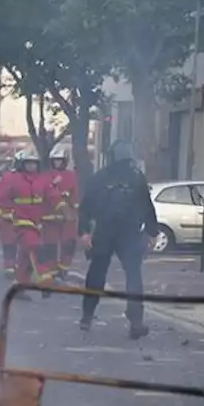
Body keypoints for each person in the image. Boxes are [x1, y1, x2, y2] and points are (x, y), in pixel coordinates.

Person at [78, 141, 159, 340]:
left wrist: (152, 231)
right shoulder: (102, 179)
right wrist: (84, 232)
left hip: (127, 233)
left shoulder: (134, 178)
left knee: (130, 277)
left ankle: (135, 321)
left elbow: (146, 206)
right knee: (103, 275)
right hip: (109, 232)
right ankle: (89, 315)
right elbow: (86, 207)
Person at [0, 150, 55, 293]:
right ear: (21, 164)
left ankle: (19, 285)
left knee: (25, 257)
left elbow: (52, 195)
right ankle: (44, 278)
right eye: (28, 163)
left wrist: (63, 207)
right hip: (19, 220)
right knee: (35, 246)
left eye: (34, 163)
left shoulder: (43, 179)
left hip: (36, 222)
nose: (31, 166)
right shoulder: (11, 178)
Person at [44, 145, 80, 277]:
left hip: (67, 217)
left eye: (59, 160)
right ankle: (52, 269)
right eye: (55, 160)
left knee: (69, 243)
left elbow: (75, 193)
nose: (57, 163)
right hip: (50, 216)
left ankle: (64, 268)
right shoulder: (47, 175)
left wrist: (75, 208)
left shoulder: (71, 175)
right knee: (50, 244)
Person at [0, 156, 20, 278]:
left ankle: (21, 268)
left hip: (27, 220)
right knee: (9, 245)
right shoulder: (8, 179)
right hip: (8, 220)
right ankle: (10, 267)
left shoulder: (34, 180)